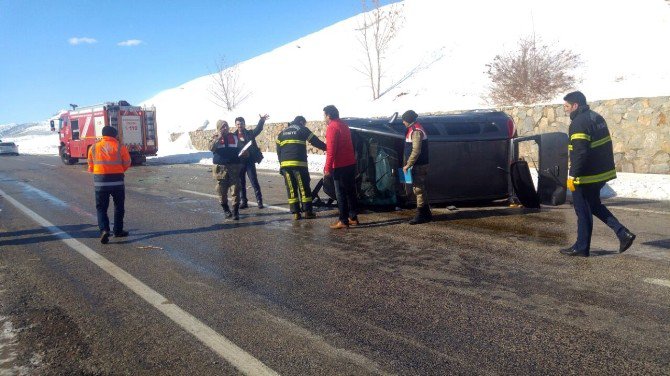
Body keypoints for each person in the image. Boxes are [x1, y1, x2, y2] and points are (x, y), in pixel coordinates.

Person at [561, 91, 636, 257]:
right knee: (594, 205)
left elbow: (580, 152)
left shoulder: (578, 123)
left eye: (566, 106)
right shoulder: (596, 117)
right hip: (600, 174)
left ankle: (581, 247)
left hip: (586, 175)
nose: (565, 110)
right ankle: (623, 233)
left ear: (575, 105)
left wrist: (573, 175)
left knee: (582, 210)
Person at [87, 125, 131, 244]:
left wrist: (95, 170)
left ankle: (104, 230)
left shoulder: (94, 147)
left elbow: (90, 164)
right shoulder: (119, 147)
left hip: (100, 182)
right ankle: (118, 231)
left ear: (103, 135)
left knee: (101, 208)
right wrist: (119, 170)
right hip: (117, 181)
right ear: (114, 135)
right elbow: (127, 162)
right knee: (119, 207)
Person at [276, 116, 327, 219]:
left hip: (285, 165)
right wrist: (326, 148)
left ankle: (296, 213)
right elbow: (314, 141)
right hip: (299, 164)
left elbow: (278, 151)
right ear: (301, 122)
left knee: (291, 188)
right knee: (303, 187)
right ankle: (308, 212)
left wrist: (281, 165)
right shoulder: (302, 128)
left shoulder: (282, 133)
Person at [323, 105, 359, 229]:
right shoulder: (344, 125)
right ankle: (353, 217)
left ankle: (343, 220)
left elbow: (331, 150)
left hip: (340, 165)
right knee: (351, 192)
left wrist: (327, 168)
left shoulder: (332, 127)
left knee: (341, 194)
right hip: (350, 163)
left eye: (324, 115)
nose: (324, 118)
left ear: (328, 115)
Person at [401, 110, 432, 224]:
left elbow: (416, 150)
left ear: (408, 120)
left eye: (404, 120)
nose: (403, 122)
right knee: (420, 189)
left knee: (418, 189)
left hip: (418, 165)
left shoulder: (415, 131)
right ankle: (426, 213)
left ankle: (421, 215)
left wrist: (408, 164)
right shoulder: (414, 129)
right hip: (418, 164)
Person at [209, 119, 243, 220]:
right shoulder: (215, 137)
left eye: (226, 126)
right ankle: (226, 209)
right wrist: (219, 137)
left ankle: (235, 211)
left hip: (234, 167)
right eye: (223, 126)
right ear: (218, 128)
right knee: (221, 191)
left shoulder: (234, 136)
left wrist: (244, 153)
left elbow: (240, 148)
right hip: (221, 169)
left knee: (236, 189)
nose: (225, 128)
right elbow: (211, 148)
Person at [235, 114, 269, 209]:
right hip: (240, 163)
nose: (239, 126)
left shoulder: (249, 133)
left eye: (241, 124)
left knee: (254, 181)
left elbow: (258, 129)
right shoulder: (233, 136)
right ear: (235, 125)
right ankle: (244, 202)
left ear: (244, 124)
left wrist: (262, 120)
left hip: (249, 162)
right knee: (241, 183)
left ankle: (259, 201)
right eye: (238, 124)